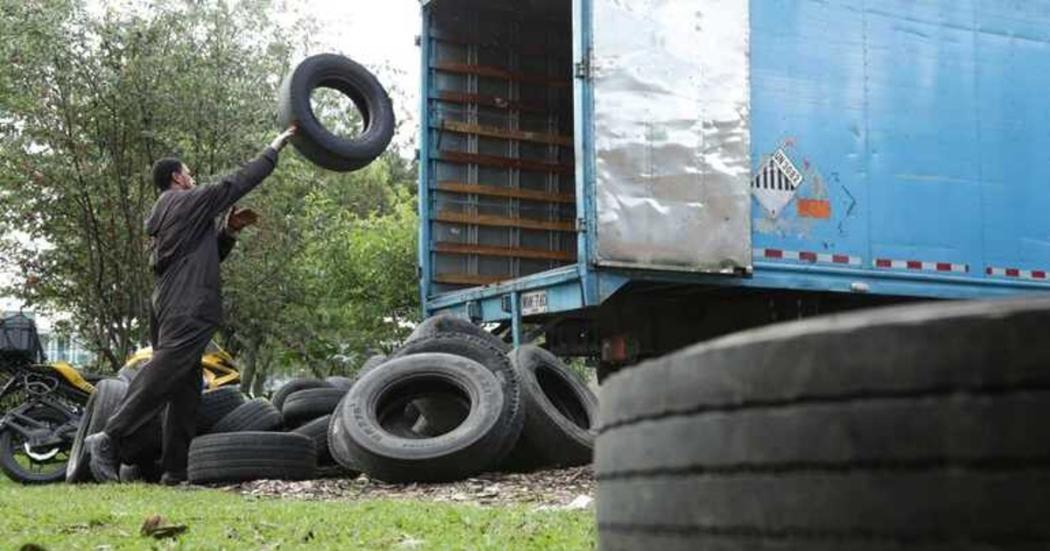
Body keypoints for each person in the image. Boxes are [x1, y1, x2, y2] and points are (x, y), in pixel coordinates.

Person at [85, 126, 297, 484]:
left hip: (169, 299)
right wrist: (275, 147)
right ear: (177, 178)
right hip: (188, 301)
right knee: (167, 367)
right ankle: (108, 437)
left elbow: (202, 257)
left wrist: (228, 232)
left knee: (185, 386)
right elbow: (237, 182)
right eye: (189, 172)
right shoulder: (187, 200)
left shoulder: (169, 214)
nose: (193, 177)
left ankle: (174, 470)